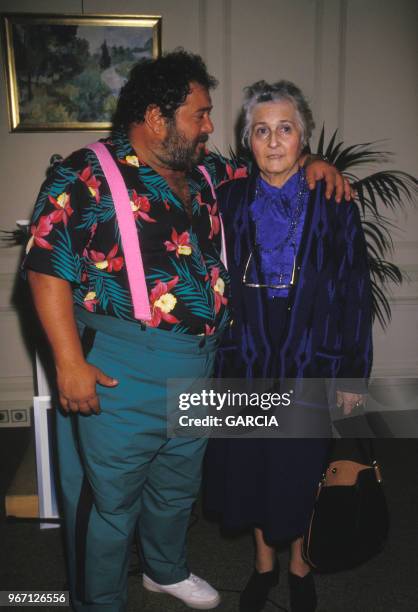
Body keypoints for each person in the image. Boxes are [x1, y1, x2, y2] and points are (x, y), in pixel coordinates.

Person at [23, 50, 349, 612]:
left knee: (176, 485)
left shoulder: (205, 171)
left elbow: (272, 161)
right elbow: (44, 263)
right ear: (157, 117)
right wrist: (68, 362)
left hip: (202, 360)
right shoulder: (84, 172)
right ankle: (95, 602)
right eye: (199, 115)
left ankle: (165, 570)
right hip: (123, 366)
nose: (209, 127)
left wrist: (316, 160)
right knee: (110, 501)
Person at [204, 80, 373, 612]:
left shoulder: (334, 200)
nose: (273, 141)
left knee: (298, 469)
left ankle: (300, 565)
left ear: (304, 137)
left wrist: (351, 375)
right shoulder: (226, 197)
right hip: (246, 355)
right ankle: (262, 566)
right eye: (261, 130)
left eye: (285, 128)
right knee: (252, 466)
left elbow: (354, 288)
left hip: (309, 357)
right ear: (246, 139)